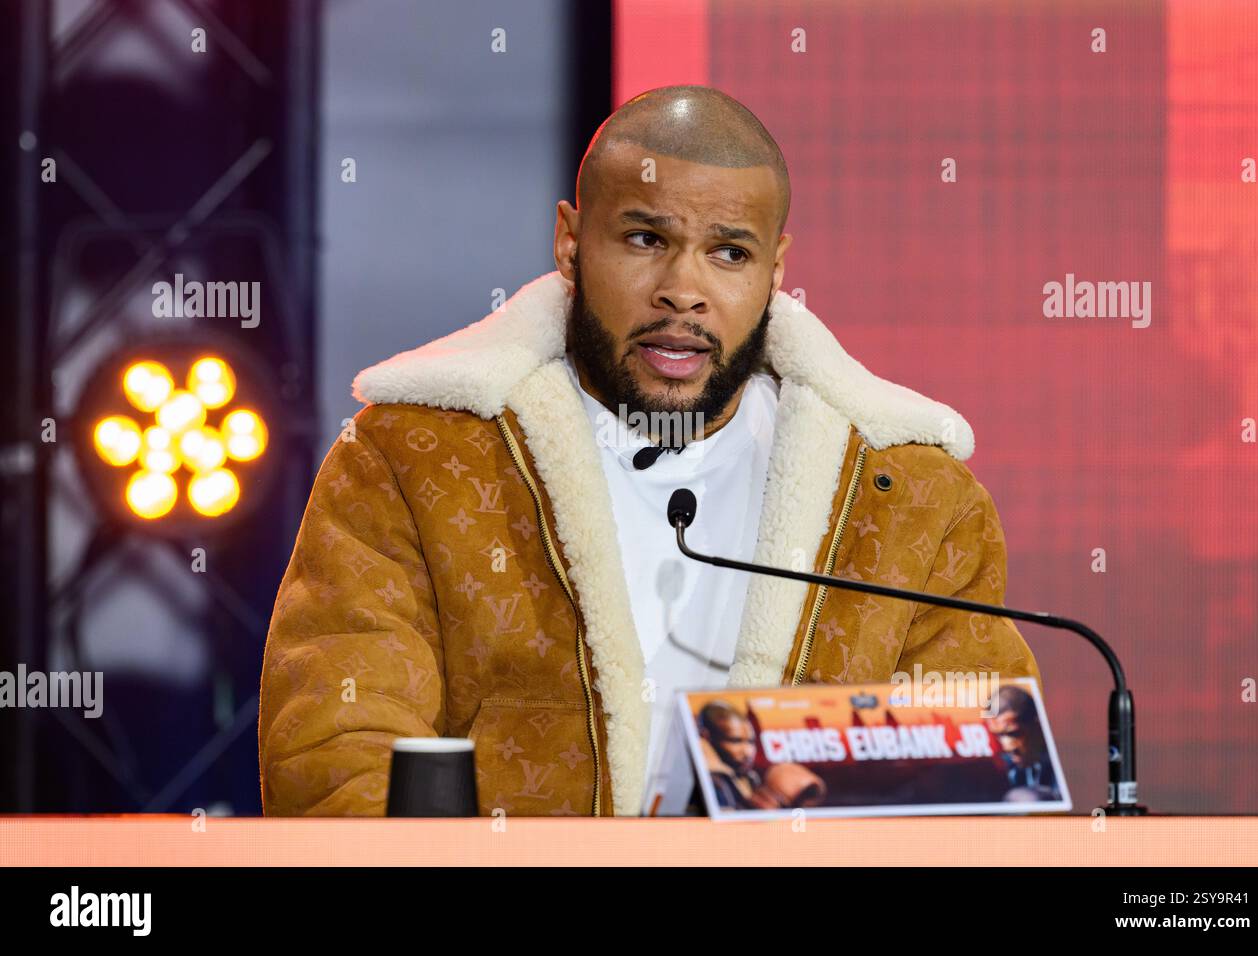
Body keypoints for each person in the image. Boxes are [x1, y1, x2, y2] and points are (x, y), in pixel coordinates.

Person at [259, 85, 1042, 817]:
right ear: (570, 244)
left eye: (729, 253)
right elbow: (336, 752)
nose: (683, 289)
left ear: (776, 272)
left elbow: (973, 787)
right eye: (645, 238)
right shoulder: (413, 458)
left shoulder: (911, 497)